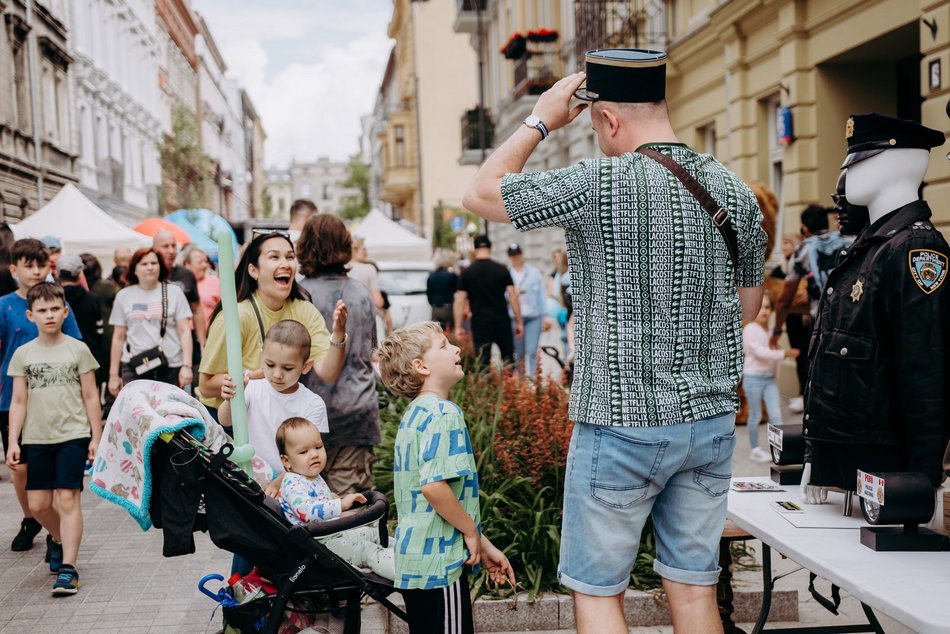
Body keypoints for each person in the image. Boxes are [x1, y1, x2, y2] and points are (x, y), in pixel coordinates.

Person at [462, 50, 765, 633]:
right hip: (707, 422)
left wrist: (541, 119)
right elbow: (747, 309)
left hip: (620, 419)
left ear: (606, 120)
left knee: (599, 591)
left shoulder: (599, 182)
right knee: (696, 585)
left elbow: (481, 193)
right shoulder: (734, 189)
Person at [801, 113, 950, 501]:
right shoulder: (869, 247)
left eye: (860, 162)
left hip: (885, 473)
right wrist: (818, 457)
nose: (848, 176)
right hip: (847, 469)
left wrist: (923, 479)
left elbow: (926, 371)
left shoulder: (916, 250)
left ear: (899, 165)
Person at [377, 322, 515, 633]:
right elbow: (434, 488)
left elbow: (434, 499)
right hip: (441, 564)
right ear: (421, 366)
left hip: (415, 560)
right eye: (443, 345)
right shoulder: (444, 413)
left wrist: (483, 544)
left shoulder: (413, 414)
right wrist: (469, 531)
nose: (455, 349)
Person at [4, 282, 102, 595]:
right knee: (38, 504)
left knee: (68, 498)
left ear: (65, 311)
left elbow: (90, 396)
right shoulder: (23, 354)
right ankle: (58, 537)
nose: (49, 315)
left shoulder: (77, 349)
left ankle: (69, 568)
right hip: (37, 437)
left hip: (72, 434)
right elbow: (18, 401)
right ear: (31, 315)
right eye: (42, 310)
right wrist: (13, 441)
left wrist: (95, 437)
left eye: (54, 309)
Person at [198, 231, 346, 419]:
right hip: (230, 421)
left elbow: (328, 372)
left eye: (290, 257)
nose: (285, 263)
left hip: (275, 416)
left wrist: (339, 336)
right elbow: (205, 385)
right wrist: (254, 377)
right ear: (254, 270)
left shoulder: (305, 310)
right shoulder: (236, 317)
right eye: (274, 257)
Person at [2, 238, 82, 553]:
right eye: (28, 265)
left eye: (40, 265)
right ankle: (31, 517)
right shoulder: (5, 305)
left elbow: (77, 347)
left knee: (57, 479)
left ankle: (56, 534)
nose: (35, 272)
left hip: (55, 402)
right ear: (14, 269)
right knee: (19, 468)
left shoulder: (59, 303)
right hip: (12, 399)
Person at [297, 214, 381, 495]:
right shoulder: (360, 292)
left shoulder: (298, 293)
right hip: (356, 412)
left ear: (305, 245)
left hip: (307, 417)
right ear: (345, 245)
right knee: (353, 511)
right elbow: (371, 352)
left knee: (312, 513)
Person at [275, 417, 394, 580]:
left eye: (318, 447)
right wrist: (341, 505)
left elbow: (315, 499)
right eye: (304, 452)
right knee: (367, 551)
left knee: (374, 533)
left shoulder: (310, 476)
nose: (314, 454)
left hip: (332, 534)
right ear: (286, 461)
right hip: (319, 545)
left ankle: (412, 555)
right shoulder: (291, 482)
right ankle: (405, 575)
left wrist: (330, 498)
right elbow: (307, 512)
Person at [218, 320, 329, 489]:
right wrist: (229, 399)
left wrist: (280, 482)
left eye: (288, 368)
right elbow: (225, 421)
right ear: (262, 355)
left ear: (306, 366)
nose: (277, 374)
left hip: (296, 485)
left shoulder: (313, 403)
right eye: (270, 365)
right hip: (250, 478)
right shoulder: (252, 388)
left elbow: (312, 454)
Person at [769, 204, 851, 414]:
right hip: (851, 318)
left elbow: (785, 298)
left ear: (804, 229)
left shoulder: (804, 250)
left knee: (815, 371)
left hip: (821, 321)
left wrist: (776, 330)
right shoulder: (848, 243)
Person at [107, 248, 193, 394]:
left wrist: (187, 366)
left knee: (169, 413)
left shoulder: (174, 292)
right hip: (135, 365)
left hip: (171, 365)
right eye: (144, 264)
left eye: (154, 263)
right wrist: (113, 375)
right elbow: (118, 336)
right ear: (134, 269)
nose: (150, 267)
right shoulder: (124, 296)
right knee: (137, 413)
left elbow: (184, 331)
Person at [742, 293, 799, 462]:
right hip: (753, 378)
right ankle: (755, 449)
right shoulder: (750, 330)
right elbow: (762, 354)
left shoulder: (771, 331)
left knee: (776, 415)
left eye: (767, 307)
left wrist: (776, 375)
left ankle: (778, 449)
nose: (764, 311)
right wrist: (785, 353)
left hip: (769, 380)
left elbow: (773, 358)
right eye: (760, 308)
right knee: (755, 415)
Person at [453, 235, 523, 368]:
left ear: (475, 249)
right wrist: (519, 322)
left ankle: (487, 386)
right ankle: (509, 387)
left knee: (482, 362)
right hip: (502, 320)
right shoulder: (502, 269)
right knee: (508, 358)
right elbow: (512, 296)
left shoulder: (467, 272)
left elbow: (459, 300)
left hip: (480, 323)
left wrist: (458, 326)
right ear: (490, 248)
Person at [152, 230, 205, 352]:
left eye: (173, 246)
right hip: (155, 343)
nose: (171, 251)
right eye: (165, 246)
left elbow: (197, 310)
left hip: (183, 341)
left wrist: (202, 343)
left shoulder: (186, 275)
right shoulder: (148, 274)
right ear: (154, 249)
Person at [507, 243, 546, 376]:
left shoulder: (534, 272)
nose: (516, 257)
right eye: (513, 255)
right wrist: (512, 295)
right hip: (514, 317)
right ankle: (522, 383)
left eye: (517, 254)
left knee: (532, 350)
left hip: (533, 316)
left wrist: (545, 316)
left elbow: (541, 295)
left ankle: (534, 381)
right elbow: (504, 297)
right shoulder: (508, 273)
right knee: (519, 352)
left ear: (521, 254)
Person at [56, 254, 103, 357]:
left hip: (62, 354)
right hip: (89, 353)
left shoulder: (54, 299)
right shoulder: (92, 299)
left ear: (58, 274)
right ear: (79, 274)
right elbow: (99, 330)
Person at [181, 245, 220, 335]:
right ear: (187, 264)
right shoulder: (179, 283)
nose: (205, 265)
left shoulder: (216, 282)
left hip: (210, 335)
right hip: (185, 336)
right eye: (200, 262)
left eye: (205, 261)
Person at [426, 258, 458, 329]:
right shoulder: (451, 276)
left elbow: (428, 292)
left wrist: (432, 303)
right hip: (448, 307)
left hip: (435, 307)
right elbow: (457, 289)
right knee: (449, 329)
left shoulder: (431, 276)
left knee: (437, 329)